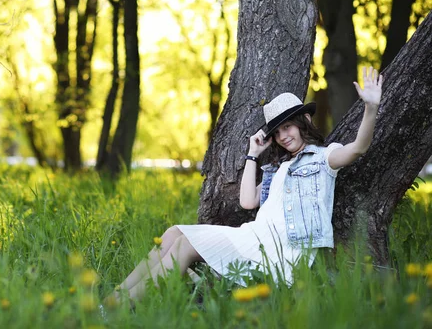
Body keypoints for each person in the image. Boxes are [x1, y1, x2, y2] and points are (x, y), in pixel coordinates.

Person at [111, 66, 383, 303]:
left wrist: (371, 108)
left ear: (305, 122)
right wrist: (253, 153)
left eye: (288, 127)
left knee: (184, 247)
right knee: (172, 234)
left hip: (284, 251)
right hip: (253, 236)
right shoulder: (277, 168)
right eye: (277, 132)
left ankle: (120, 310)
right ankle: (111, 300)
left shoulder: (324, 158)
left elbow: (358, 148)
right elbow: (248, 202)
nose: (283, 136)